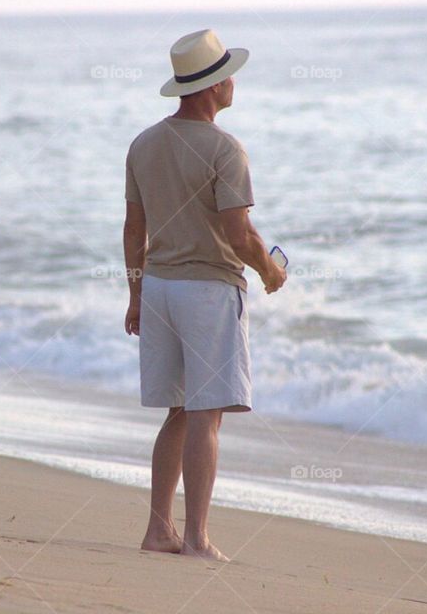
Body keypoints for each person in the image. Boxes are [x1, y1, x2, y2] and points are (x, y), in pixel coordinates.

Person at [122, 29, 287, 561]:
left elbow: (134, 228)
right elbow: (240, 236)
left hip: (159, 287)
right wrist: (270, 271)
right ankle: (196, 537)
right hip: (208, 292)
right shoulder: (225, 148)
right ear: (214, 86)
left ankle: (158, 530)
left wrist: (135, 294)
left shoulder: (144, 143)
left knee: (178, 411)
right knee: (205, 414)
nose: (234, 82)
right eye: (229, 75)